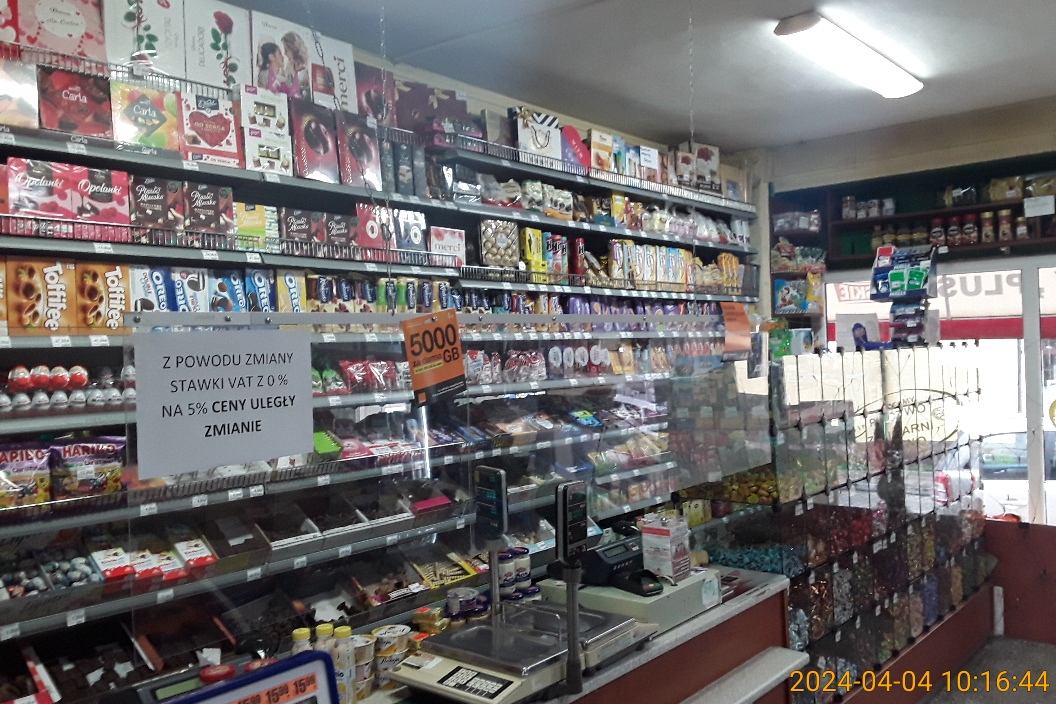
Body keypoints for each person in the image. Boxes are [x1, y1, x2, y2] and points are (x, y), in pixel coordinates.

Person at [281, 32, 311, 99]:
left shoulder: (306, 69)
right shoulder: (289, 66)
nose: (285, 53)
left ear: (294, 49)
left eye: (286, 50)